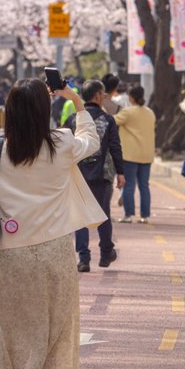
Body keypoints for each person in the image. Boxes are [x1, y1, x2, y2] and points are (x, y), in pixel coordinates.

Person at [0, 78, 104, 369]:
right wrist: (76, 101)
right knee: (53, 333)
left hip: (13, 253)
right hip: (57, 252)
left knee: (12, 332)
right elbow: (92, 142)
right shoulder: (61, 143)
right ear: (45, 111)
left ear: (9, 110)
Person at [66, 79, 124, 272]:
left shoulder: (73, 119)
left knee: (80, 216)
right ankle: (106, 252)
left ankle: (84, 258)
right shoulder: (108, 120)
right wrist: (121, 172)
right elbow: (115, 147)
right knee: (103, 213)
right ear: (98, 96)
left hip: (78, 172)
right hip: (103, 173)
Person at [114, 85, 156, 223]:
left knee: (129, 185)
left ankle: (128, 215)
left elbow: (112, 121)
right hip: (146, 154)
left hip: (130, 154)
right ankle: (144, 216)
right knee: (144, 186)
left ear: (131, 97)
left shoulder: (128, 112)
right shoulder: (150, 112)